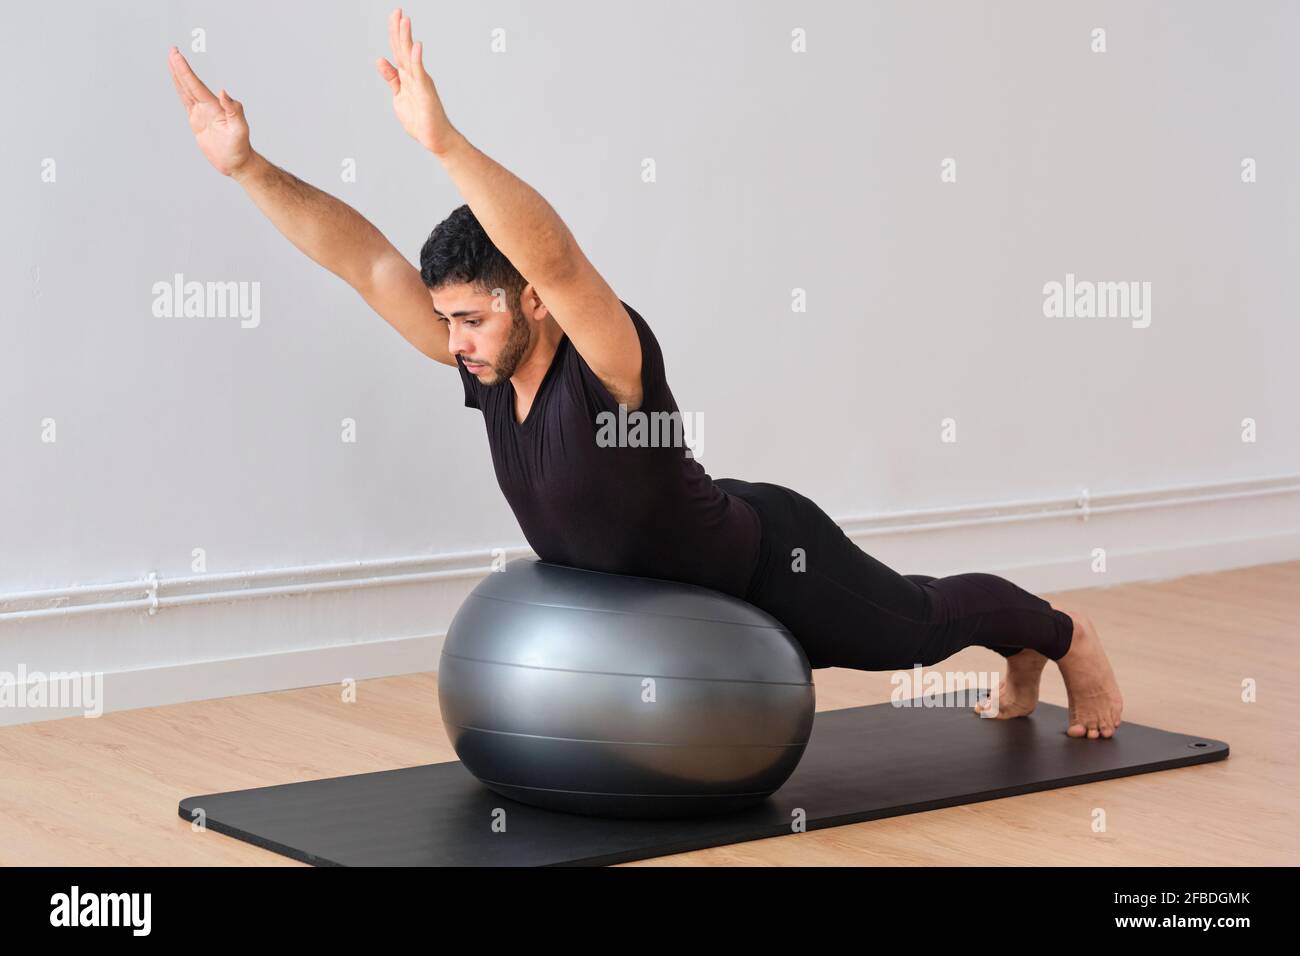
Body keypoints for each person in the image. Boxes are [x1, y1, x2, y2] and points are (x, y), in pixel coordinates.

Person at [165, 8, 1123, 740]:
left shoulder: (610, 365)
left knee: (907, 630)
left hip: (765, 563)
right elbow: (366, 261)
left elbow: (562, 261)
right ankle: (1028, 643)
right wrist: (248, 169)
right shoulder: (487, 368)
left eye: (469, 315)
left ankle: (1063, 636)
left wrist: (447, 146)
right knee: (905, 621)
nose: (449, 337)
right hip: (670, 605)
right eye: (446, 318)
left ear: (527, 303)